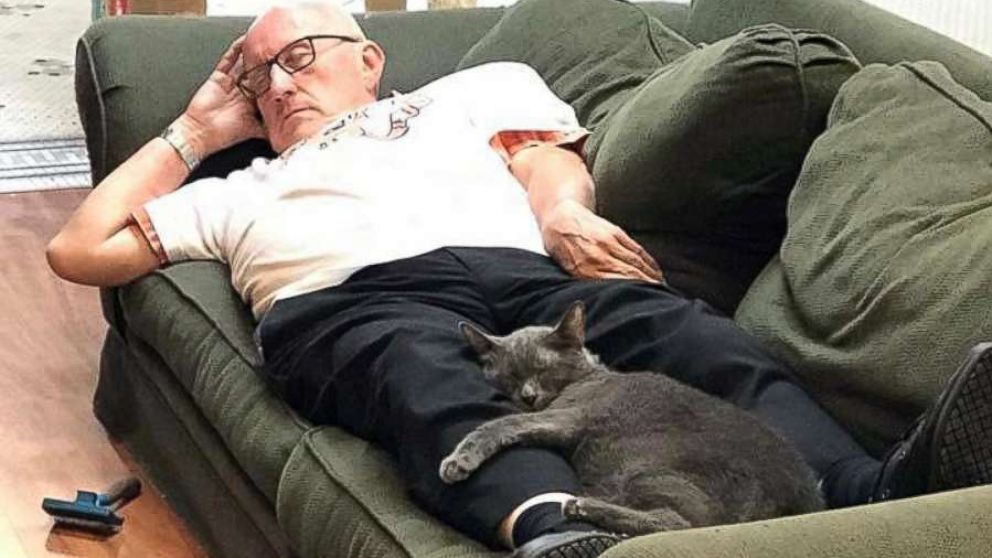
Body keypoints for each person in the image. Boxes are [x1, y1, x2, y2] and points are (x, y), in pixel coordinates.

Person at [47, 2, 992, 557]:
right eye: (255, 80)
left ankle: (865, 490)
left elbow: (544, 158)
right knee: (421, 370)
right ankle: (550, 529)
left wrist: (562, 214)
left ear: (368, 57)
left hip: (524, 275)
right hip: (352, 301)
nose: (280, 85)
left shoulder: (469, 89)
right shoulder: (243, 186)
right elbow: (79, 252)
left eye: (298, 57)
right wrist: (202, 129)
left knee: (687, 335)